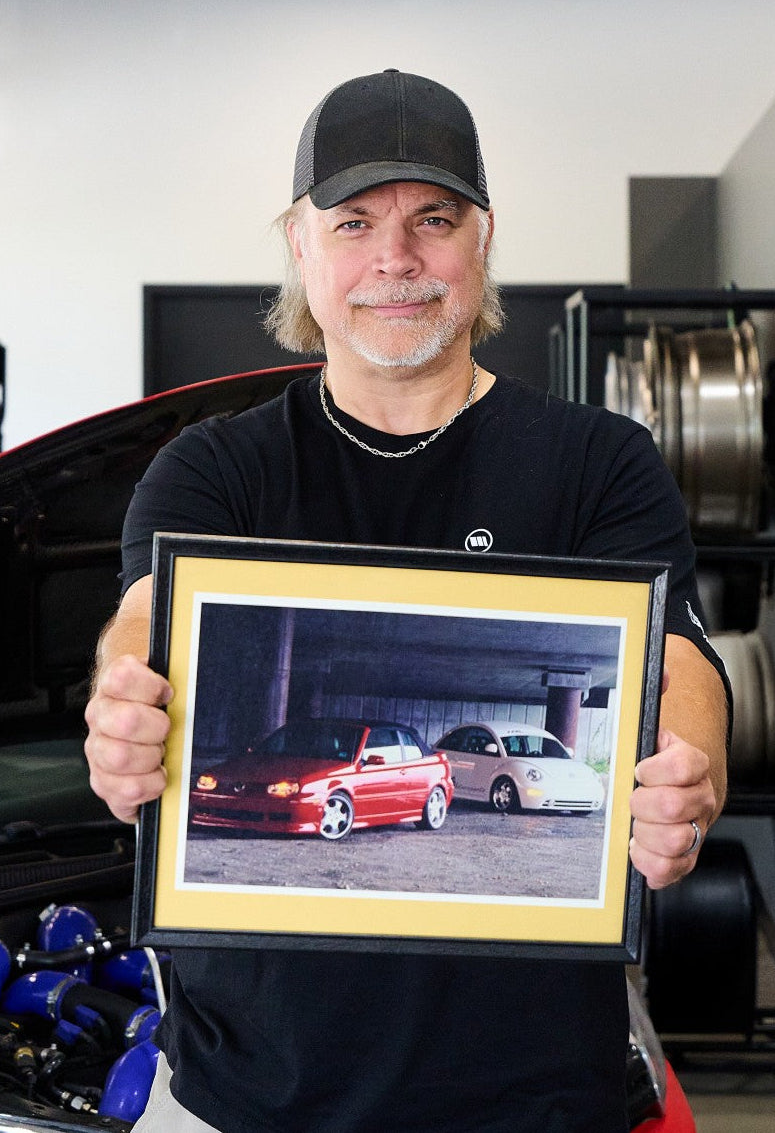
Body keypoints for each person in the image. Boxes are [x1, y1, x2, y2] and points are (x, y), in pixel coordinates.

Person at [84, 69, 729, 1133]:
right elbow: (149, 613)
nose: (396, 259)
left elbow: (682, 657)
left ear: (482, 239)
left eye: (433, 218)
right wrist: (123, 701)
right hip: (242, 1094)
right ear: (300, 245)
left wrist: (680, 769)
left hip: (532, 1097)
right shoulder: (215, 470)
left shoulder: (597, 463)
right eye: (354, 222)